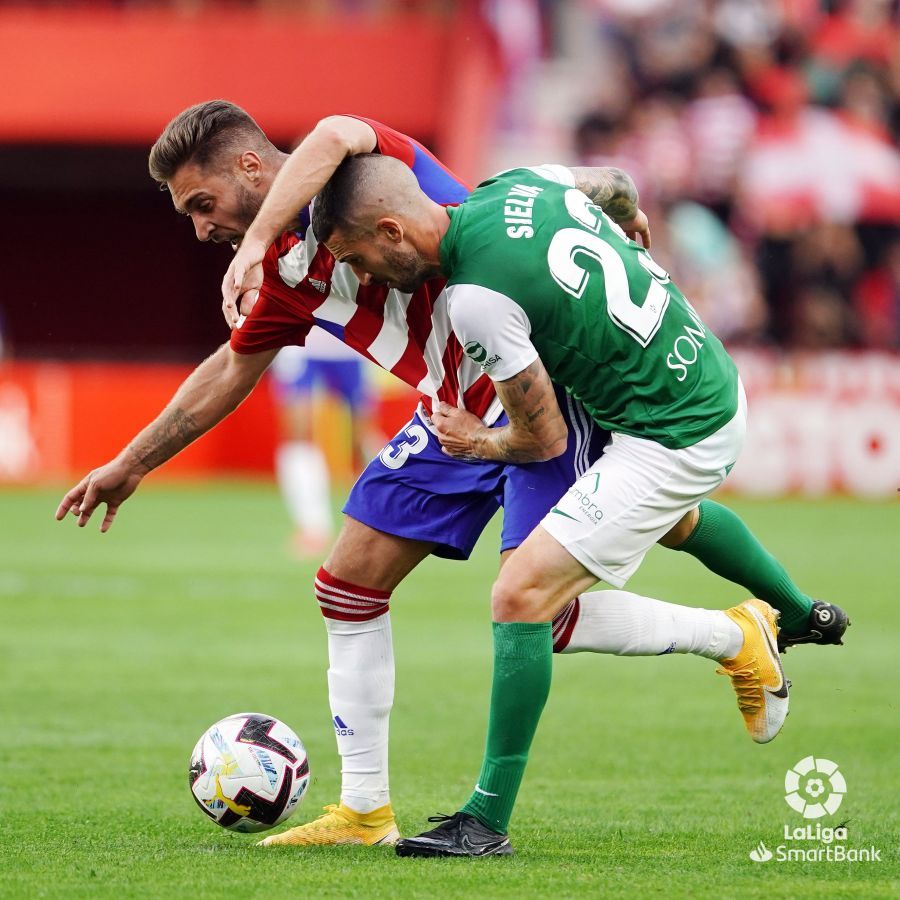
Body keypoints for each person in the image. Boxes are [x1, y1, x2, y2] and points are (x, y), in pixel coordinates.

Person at [55, 104, 843, 853]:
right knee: (348, 583)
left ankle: (731, 637)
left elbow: (335, 130)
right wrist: (131, 463)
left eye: (203, 204)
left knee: (538, 608)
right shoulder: (286, 273)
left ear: (252, 168)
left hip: (538, 395)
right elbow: (232, 368)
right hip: (451, 411)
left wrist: (255, 240)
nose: (201, 229)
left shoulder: (369, 171)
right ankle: (364, 809)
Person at [308, 154, 851, 857]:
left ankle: (485, 822)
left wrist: (475, 440)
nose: (366, 278)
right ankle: (799, 615)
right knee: (672, 521)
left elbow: (542, 439)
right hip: (702, 376)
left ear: (392, 231)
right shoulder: (518, 183)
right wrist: (630, 219)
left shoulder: (474, 301)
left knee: (522, 595)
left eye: (359, 258)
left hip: (672, 434)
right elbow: (617, 184)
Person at [270, 335, 378, 557]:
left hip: (353, 344)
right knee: (298, 432)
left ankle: (387, 516)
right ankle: (313, 528)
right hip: (301, 344)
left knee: (361, 437)